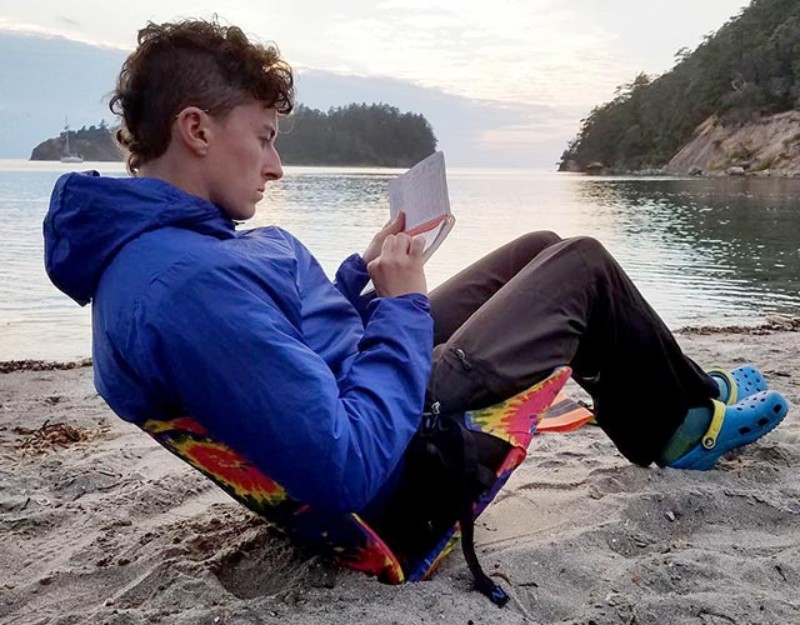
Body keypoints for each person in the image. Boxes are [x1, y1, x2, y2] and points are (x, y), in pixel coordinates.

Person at [43, 18, 788, 600]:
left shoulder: (169, 247)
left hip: (367, 381)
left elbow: (277, 342)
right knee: (582, 266)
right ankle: (685, 425)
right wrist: (402, 311)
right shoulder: (185, 289)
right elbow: (348, 467)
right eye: (264, 138)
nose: (275, 165)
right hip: (406, 450)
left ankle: (684, 387)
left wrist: (363, 280)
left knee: (540, 243)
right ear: (197, 128)